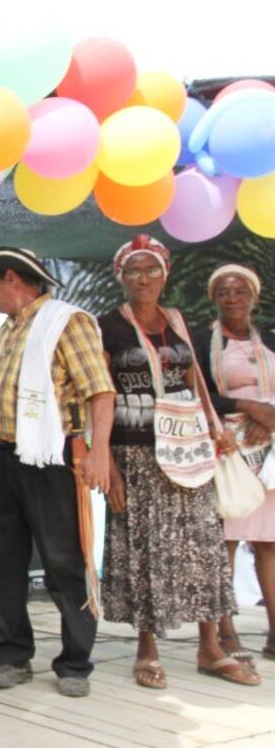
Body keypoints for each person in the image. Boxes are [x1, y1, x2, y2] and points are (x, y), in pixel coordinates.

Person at [97, 236, 258, 688]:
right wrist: (105, 458)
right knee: (146, 550)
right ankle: (147, 650)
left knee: (203, 547)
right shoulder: (106, 325)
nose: (143, 278)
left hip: (189, 450)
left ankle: (210, 648)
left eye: (151, 269)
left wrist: (215, 428)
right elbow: (99, 394)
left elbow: (194, 380)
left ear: (165, 274)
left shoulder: (178, 321)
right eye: (133, 270)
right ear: (121, 276)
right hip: (136, 453)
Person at [0, 247, 114, 699]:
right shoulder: (8, 331)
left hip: (50, 458)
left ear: (13, 278)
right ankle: (10, 656)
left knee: (64, 559)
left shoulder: (67, 321)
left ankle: (75, 662)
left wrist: (99, 452)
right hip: (3, 459)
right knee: (2, 559)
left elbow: (100, 392)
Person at [194, 263, 275, 666]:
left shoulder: (272, 339)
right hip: (227, 448)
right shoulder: (202, 342)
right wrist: (247, 407)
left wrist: (268, 416)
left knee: (268, 542)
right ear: (215, 298)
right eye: (224, 292)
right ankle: (225, 631)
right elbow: (202, 392)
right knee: (223, 544)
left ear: (253, 297)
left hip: (270, 450)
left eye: (240, 291)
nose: (232, 298)